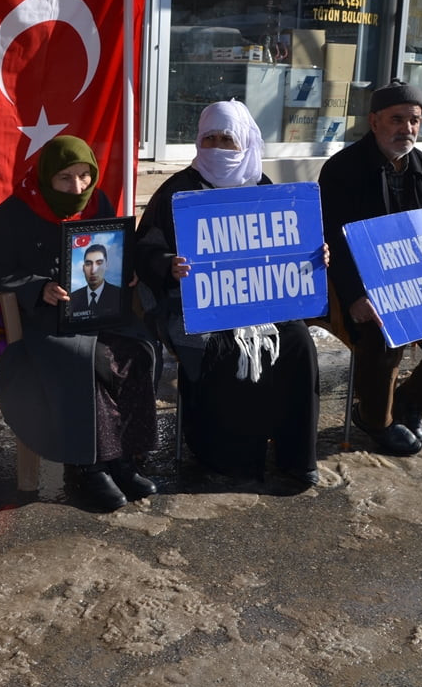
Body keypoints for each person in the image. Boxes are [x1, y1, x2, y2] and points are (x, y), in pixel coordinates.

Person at [135, 100, 324, 490]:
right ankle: (226, 457)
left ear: (246, 144)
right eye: (210, 139)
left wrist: (314, 253)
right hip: (195, 306)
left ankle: (295, 457)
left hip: (261, 304)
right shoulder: (177, 190)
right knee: (220, 348)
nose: (218, 147)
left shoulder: (263, 187)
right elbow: (145, 250)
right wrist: (168, 264)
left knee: (298, 343)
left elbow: (291, 241)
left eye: (228, 139)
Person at [0, 135, 158, 512]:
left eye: (84, 176)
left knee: (138, 349)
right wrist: (37, 287)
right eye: (65, 179)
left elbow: (119, 248)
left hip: (98, 311)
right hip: (42, 324)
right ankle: (86, 466)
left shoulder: (98, 202)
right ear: (46, 178)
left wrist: (129, 271)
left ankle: (122, 457)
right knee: (87, 360)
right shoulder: (15, 213)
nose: (78, 187)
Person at [319, 80, 422, 456]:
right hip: (365, 286)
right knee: (380, 334)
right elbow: (332, 239)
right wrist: (354, 296)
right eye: (397, 119)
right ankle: (374, 418)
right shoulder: (342, 169)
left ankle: (411, 400)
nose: (407, 129)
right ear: (374, 120)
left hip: (420, 284)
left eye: (414, 121)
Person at [68, 244, 120, 318]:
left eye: (99, 263)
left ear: (106, 266)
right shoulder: (72, 298)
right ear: (83, 268)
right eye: (88, 264)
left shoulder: (119, 295)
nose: (93, 271)